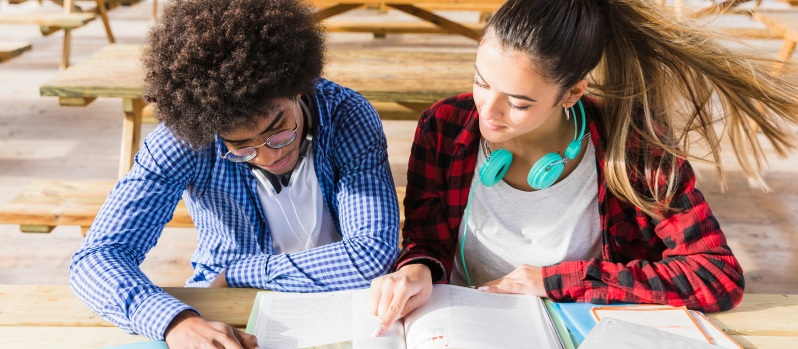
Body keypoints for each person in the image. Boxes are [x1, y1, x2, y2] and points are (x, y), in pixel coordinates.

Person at [368, 0, 798, 337]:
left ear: (572, 92)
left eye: (519, 102)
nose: (489, 112)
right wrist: (416, 270)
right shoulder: (444, 127)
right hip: (463, 329)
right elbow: (426, 240)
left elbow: (716, 275)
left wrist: (556, 281)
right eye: (481, 81)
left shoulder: (633, 148)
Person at [69, 0, 400, 347]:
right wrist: (174, 322)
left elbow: (372, 254)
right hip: (222, 308)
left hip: (341, 303)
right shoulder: (186, 139)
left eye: (279, 130)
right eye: (242, 147)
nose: (270, 155)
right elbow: (97, 257)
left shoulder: (348, 116)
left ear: (299, 86)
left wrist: (240, 273)